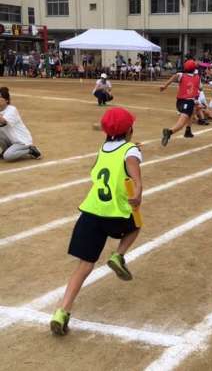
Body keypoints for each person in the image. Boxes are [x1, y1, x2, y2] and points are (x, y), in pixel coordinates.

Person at [49, 107, 143, 336]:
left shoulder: (103, 148)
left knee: (84, 265)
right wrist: (138, 193)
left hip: (91, 211)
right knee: (136, 226)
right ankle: (118, 255)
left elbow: (98, 168)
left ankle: (62, 311)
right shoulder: (131, 151)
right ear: (129, 130)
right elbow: (135, 178)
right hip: (115, 213)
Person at [160, 59, 201, 146]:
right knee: (181, 123)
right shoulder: (197, 77)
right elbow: (200, 88)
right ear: (194, 69)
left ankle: (188, 131)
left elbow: (174, 77)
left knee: (193, 110)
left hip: (179, 102)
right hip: (188, 102)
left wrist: (165, 86)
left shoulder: (181, 75)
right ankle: (169, 132)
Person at [0, 87, 42, 162]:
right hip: (11, 140)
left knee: (7, 156)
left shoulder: (11, 110)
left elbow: (3, 121)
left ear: (6, 100)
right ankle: (7, 150)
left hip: (22, 140)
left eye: (0, 97)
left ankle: (30, 150)